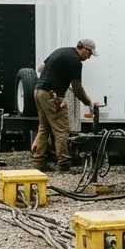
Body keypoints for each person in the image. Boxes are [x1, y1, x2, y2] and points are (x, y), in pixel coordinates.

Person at [32, 38, 99, 172]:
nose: (89, 57)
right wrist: (89, 103)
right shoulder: (75, 62)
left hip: (38, 91)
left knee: (44, 128)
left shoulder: (60, 51)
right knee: (61, 129)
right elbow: (77, 88)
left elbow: (41, 68)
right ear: (84, 49)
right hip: (52, 96)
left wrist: (56, 76)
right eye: (89, 53)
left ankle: (39, 162)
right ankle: (64, 163)